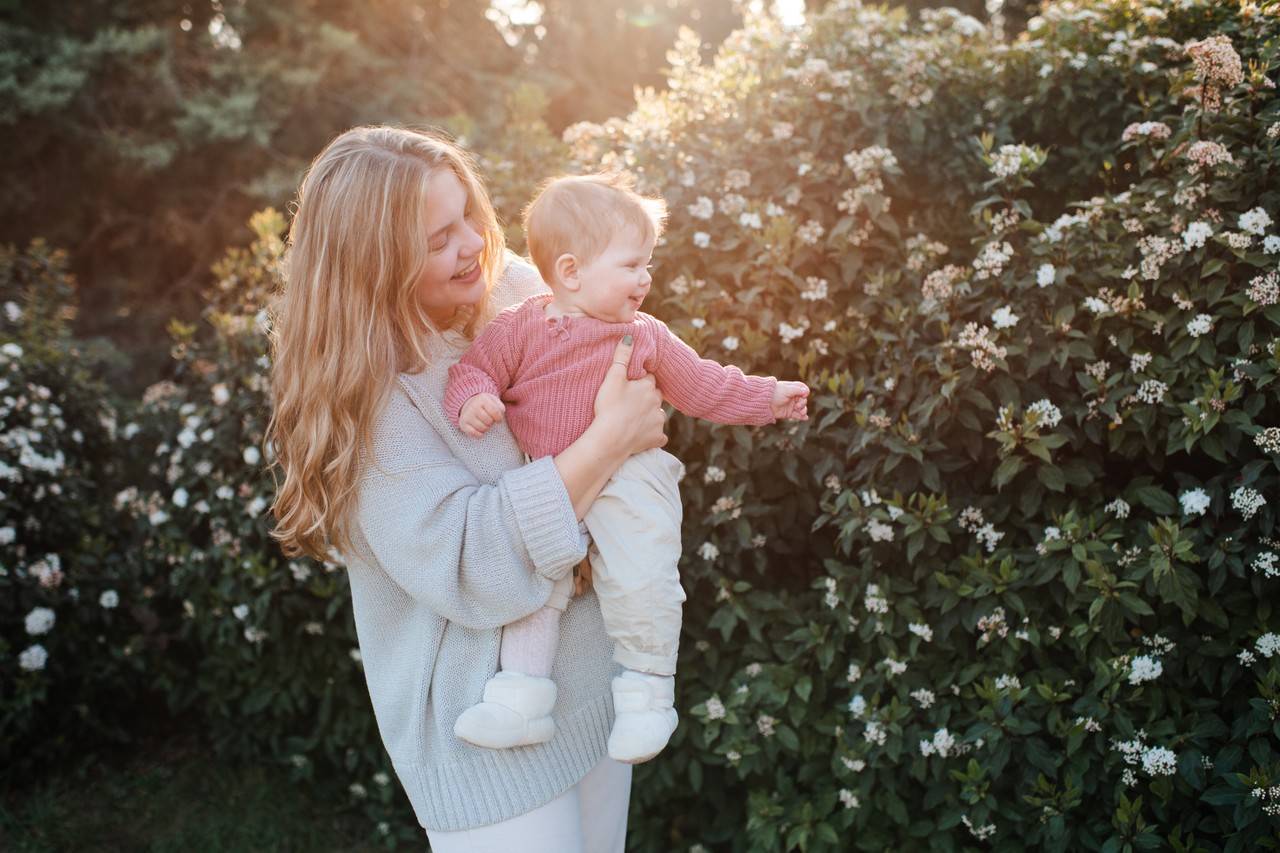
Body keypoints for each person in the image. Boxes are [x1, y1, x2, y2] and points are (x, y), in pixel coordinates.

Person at [265, 125, 667, 851]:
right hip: (481, 730)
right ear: (372, 263)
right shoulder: (368, 394)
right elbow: (469, 559)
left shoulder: (513, 291)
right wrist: (608, 441)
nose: (473, 244)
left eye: (468, 217)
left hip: (585, 686)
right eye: (437, 238)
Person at [444, 173, 809, 765]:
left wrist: (766, 398)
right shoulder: (518, 327)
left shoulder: (645, 335)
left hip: (630, 475)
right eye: (632, 266)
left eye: (648, 265)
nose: (646, 279)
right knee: (538, 582)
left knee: (642, 573)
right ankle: (521, 698)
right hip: (550, 475)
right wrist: (475, 400)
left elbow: (704, 386)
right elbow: (473, 371)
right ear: (570, 272)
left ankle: (646, 695)